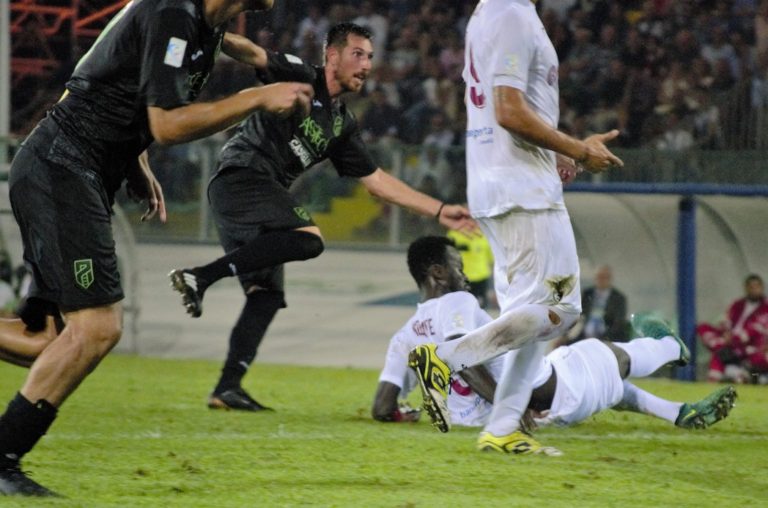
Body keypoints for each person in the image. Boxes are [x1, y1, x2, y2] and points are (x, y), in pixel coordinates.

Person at [0, 0, 315, 497]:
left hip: (73, 170)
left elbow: (110, 76)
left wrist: (133, 159)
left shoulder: (199, 26)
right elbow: (167, 123)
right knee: (97, 327)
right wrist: (258, 97)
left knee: (48, 340)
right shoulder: (171, 12)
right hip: (61, 169)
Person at [168, 23, 475, 413]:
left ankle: (226, 387)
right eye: (358, 54)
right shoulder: (301, 75)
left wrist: (438, 209)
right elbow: (253, 53)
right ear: (332, 56)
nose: (366, 65)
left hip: (261, 195)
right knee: (308, 238)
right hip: (242, 177)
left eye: (370, 57)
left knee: (266, 297)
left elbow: (377, 182)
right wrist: (207, 28)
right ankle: (202, 276)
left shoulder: (342, 124)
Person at [407, 0, 625, 456]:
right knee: (561, 310)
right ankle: (446, 357)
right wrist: (578, 150)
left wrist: (558, 153)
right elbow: (508, 110)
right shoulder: (511, 14)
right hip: (521, 189)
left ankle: (503, 425)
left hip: (502, 182)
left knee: (526, 316)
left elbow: (503, 111)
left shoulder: (489, 14)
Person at [373, 237, 736, 441]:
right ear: (437, 271)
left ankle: (677, 413)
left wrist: (403, 413)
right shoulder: (458, 301)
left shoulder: (404, 335)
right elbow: (462, 357)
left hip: (535, 404)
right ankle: (672, 348)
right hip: (548, 391)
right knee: (610, 355)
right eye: (458, 267)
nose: (466, 276)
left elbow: (382, 405)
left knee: (608, 383)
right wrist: (507, 410)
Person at [698, 274, 768, 383]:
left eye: (757, 287)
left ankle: (727, 374)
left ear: (762, 288)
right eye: (751, 287)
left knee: (721, 354)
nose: (754, 290)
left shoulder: (765, 308)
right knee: (703, 327)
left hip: (749, 344)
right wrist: (726, 331)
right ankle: (723, 350)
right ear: (746, 288)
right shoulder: (737, 304)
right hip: (730, 340)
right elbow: (726, 320)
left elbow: (757, 330)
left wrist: (736, 338)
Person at [572, 264, 629, 343]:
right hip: (584, 335)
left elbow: (618, 323)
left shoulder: (619, 298)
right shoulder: (587, 293)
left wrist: (603, 339)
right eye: (598, 277)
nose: (600, 280)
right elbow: (579, 315)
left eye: (604, 277)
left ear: (610, 279)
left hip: (609, 337)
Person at [446, 228, 494, 309]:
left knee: (480, 306)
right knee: (461, 307)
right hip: (461, 278)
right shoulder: (453, 235)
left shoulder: (484, 235)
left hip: (481, 277)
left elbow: (491, 258)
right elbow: (447, 255)